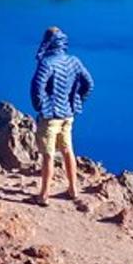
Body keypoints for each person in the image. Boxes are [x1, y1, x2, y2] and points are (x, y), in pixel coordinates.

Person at [29, 26, 94, 205]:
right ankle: (73, 189)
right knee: (68, 151)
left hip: (51, 118)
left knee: (48, 155)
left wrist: (42, 107)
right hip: (68, 115)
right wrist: (77, 102)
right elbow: (89, 83)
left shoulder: (47, 63)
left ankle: (43, 195)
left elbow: (37, 88)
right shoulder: (74, 61)